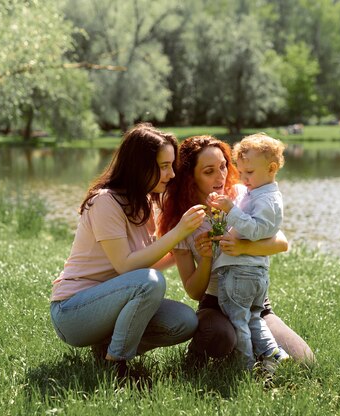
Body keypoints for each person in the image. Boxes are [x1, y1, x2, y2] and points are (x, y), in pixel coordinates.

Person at [49, 123, 206, 379]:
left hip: (113, 302)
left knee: (184, 322)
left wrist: (186, 247)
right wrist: (178, 232)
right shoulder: (105, 201)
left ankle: (105, 349)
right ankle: (117, 365)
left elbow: (143, 267)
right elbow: (126, 267)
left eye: (171, 165)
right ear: (140, 166)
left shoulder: (143, 202)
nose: (171, 174)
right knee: (150, 282)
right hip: (73, 313)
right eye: (164, 166)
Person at [158, 135, 316, 369]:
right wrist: (207, 259)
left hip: (254, 302)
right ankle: (217, 355)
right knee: (221, 337)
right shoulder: (184, 221)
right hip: (215, 302)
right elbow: (193, 291)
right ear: (191, 177)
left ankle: (257, 354)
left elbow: (281, 242)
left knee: (305, 362)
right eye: (209, 171)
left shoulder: (242, 194)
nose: (221, 176)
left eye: (223, 166)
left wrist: (243, 247)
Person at [207, 133, 286, 371]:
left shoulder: (268, 200)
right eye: (240, 172)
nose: (243, 179)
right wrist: (223, 207)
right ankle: (272, 355)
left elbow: (255, 229)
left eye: (249, 173)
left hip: (242, 272)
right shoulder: (255, 193)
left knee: (238, 321)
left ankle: (244, 365)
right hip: (252, 273)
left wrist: (230, 209)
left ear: (271, 168)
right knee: (252, 318)